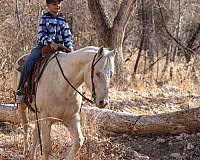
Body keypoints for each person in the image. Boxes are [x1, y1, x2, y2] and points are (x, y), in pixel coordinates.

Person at [16, 0, 73, 103]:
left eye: (59, 3)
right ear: (48, 5)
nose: (58, 5)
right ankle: (21, 91)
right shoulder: (44, 18)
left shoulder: (63, 20)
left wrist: (70, 47)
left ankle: (71, 94)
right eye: (54, 4)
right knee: (30, 61)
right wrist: (50, 42)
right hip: (44, 46)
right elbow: (41, 34)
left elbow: (67, 36)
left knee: (73, 65)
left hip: (61, 48)